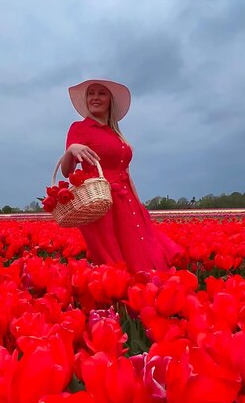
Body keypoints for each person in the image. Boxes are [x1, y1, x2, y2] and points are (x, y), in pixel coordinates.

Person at [60, 79, 182, 273]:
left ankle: (147, 295)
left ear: (110, 100)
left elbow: (125, 171)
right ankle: (125, 297)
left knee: (141, 248)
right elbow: (67, 171)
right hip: (103, 203)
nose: (95, 97)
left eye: (101, 93)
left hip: (127, 201)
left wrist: (139, 204)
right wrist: (70, 150)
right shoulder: (79, 128)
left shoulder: (115, 133)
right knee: (117, 259)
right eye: (91, 93)